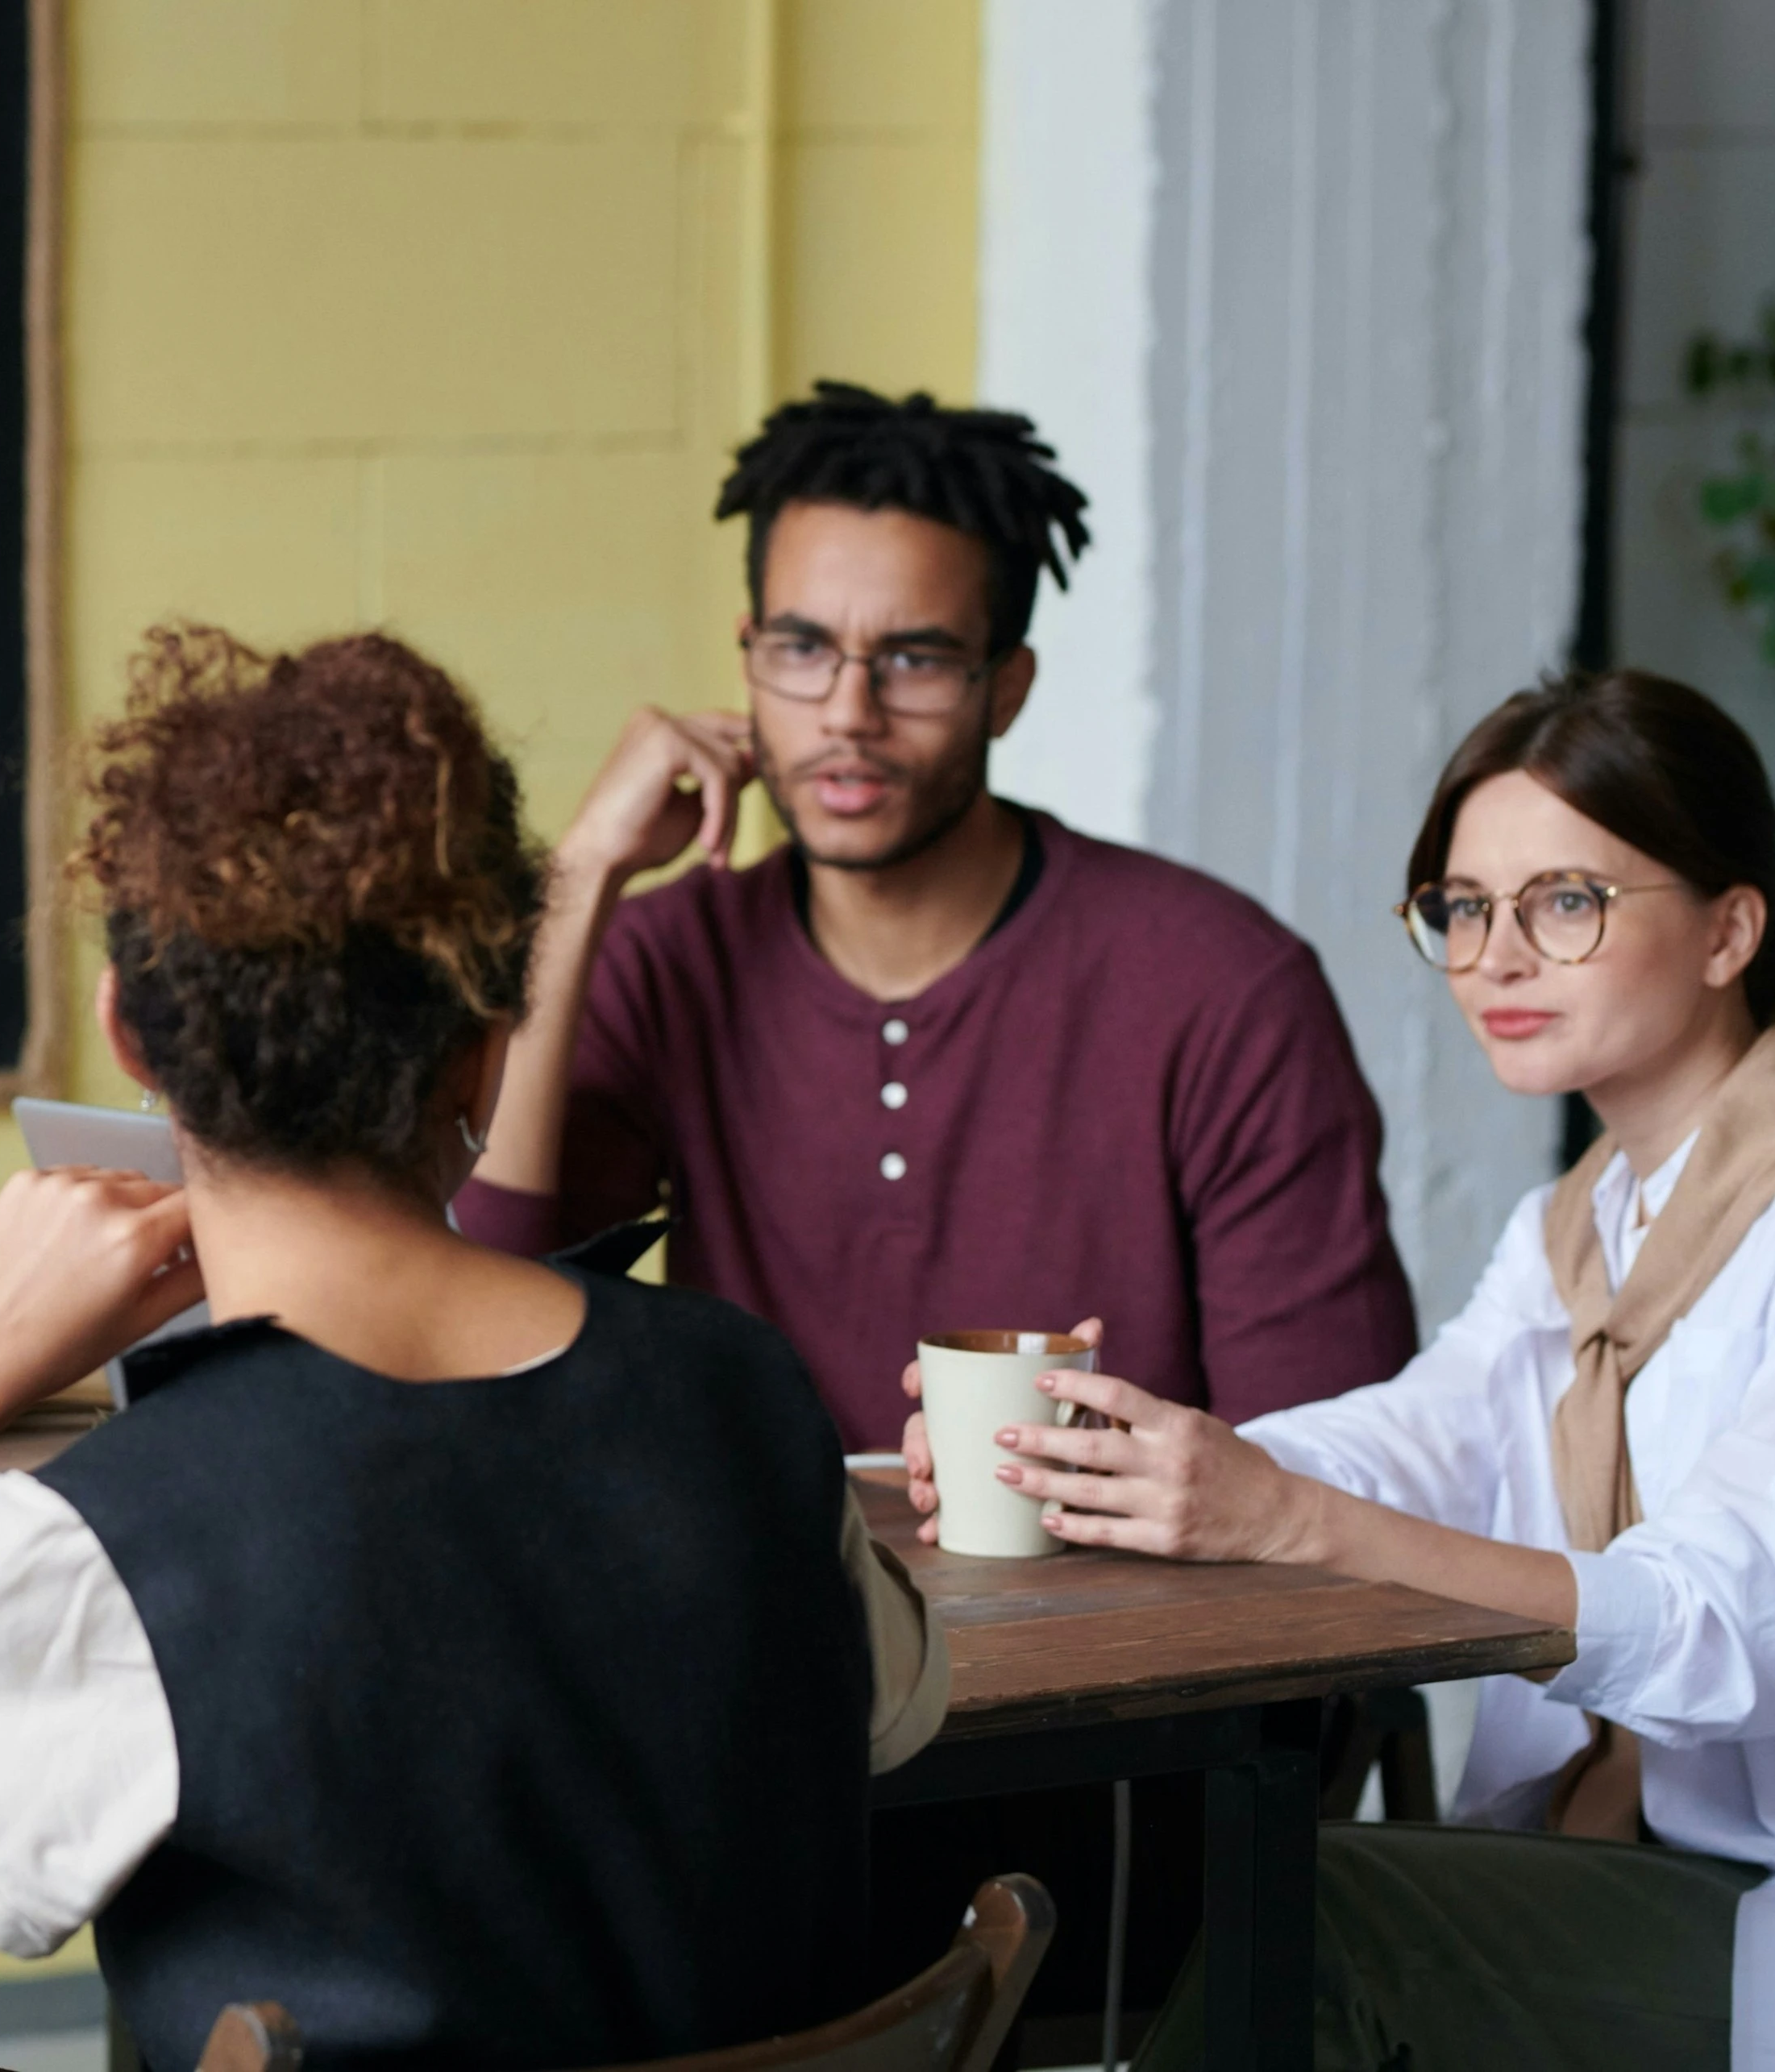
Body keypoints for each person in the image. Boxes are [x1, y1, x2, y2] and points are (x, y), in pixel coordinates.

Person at [0, 627, 946, 2070]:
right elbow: (888, 1708)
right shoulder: (749, 1396)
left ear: (129, 1030)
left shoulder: (107, 1550)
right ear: (489, 1035)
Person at [900, 671, 1775, 2071]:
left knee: (1334, 1906)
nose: (1497, 955)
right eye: (1463, 905)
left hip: (1764, 1900)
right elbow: (1420, 1430)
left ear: (1731, 926)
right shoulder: (1578, 1223)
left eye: (1569, 899)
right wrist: (1129, 1456)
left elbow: (1728, 1621)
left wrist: (1281, 1516)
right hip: (1650, 1851)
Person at [458, 381, 1419, 1447]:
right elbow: (478, 1305)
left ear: (1006, 687)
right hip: (763, 1609)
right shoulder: (667, 956)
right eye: (802, 647)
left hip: (1122, 1611)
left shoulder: (1224, 988)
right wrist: (582, 872)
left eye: (915, 658)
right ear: (748, 652)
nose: (847, 712)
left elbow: (1331, 1460)